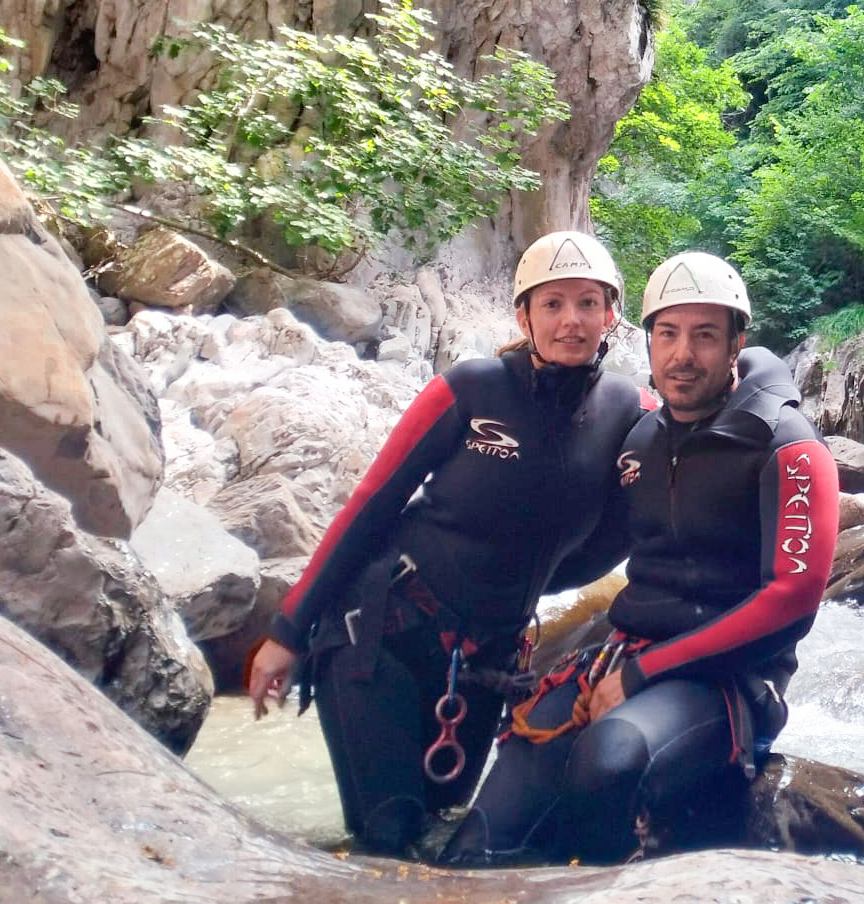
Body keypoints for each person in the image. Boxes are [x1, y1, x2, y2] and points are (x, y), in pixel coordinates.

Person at [244, 230, 658, 857]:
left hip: (489, 656)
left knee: (447, 834)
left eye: (588, 303)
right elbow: (371, 506)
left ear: (612, 314)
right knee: (391, 836)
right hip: (380, 627)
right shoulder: (470, 389)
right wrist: (286, 630)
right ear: (524, 315)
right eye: (552, 304)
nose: (571, 320)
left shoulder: (630, 409)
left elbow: (623, 533)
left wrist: (524, 584)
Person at [439, 251, 840, 866]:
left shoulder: (787, 446)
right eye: (668, 333)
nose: (684, 355)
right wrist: (493, 603)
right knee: (478, 843)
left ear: (736, 342)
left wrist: (646, 674)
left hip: (730, 679)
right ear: (647, 340)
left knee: (607, 760)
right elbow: (581, 552)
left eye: (705, 336)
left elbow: (794, 598)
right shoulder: (642, 442)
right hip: (628, 654)